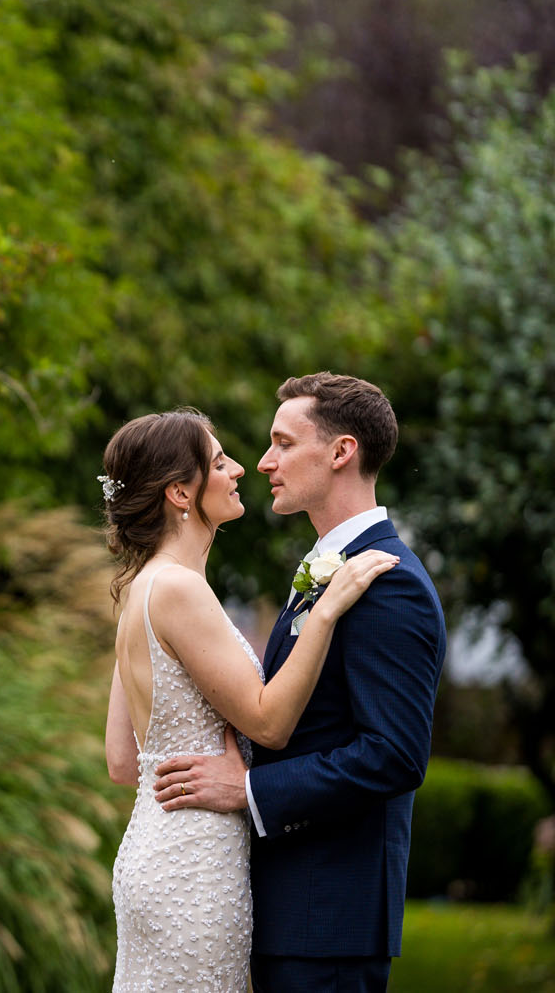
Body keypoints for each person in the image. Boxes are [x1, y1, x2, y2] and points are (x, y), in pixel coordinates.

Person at [153, 373, 447, 992]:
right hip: (292, 912)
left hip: (328, 918)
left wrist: (250, 789)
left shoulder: (388, 583)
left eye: (283, 443)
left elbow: (394, 755)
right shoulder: (326, 571)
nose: (263, 463)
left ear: (341, 452)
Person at [101, 406, 398, 992]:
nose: (240, 469)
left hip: (152, 849)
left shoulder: (139, 587)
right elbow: (269, 722)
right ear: (180, 494)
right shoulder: (181, 589)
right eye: (218, 462)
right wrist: (328, 609)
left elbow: (122, 760)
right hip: (195, 867)